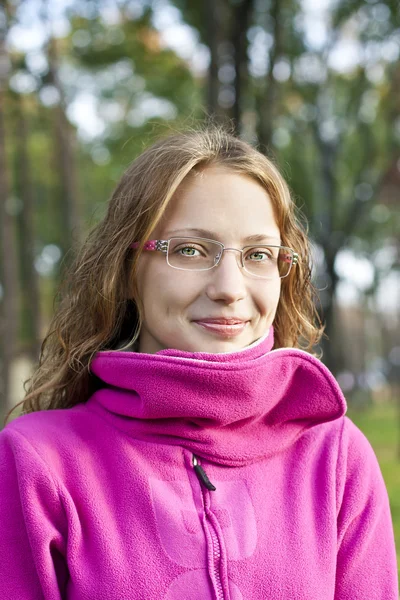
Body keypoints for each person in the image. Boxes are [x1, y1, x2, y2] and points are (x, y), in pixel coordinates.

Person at [0, 127, 397, 600]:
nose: (229, 288)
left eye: (257, 254)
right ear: (127, 271)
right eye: (190, 249)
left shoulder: (335, 458)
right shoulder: (37, 462)